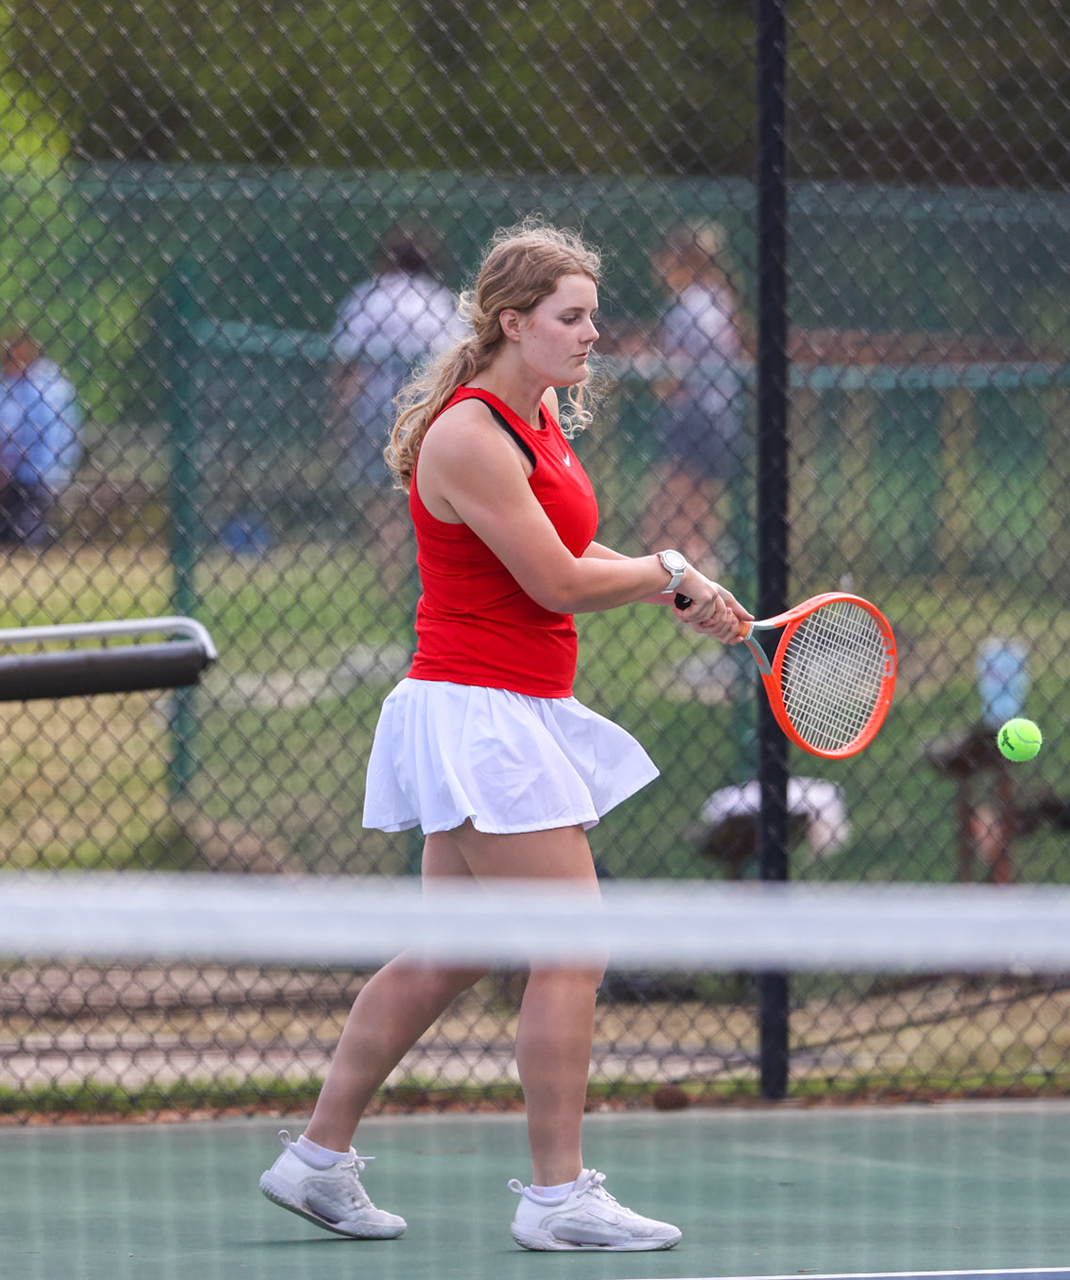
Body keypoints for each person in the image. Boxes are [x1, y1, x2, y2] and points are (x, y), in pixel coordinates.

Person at [258, 221, 750, 1253]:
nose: (591, 335)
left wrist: (683, 584)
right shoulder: (472, 434)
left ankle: (314, 1160)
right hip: (480, 713)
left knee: (455, 950)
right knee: (572, 945)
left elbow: (574, 546)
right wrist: (666, 565)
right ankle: (557, 1195)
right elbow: (558, 582)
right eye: (571, 318)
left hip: (505, 705)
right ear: (511, 322)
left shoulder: (541, 422)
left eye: (593, 316)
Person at [331, 225, 466, 593]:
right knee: (427, 492)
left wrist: (339, 414)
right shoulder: (439, 300)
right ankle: (422, 575)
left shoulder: (368, 297)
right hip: (428, 405)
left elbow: (349, 365)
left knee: (381, 494)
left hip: (373, 405)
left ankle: (390, 576)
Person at [636, 221, 748, 577]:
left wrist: (646, 367)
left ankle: (673, 583)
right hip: (720, 415)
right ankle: (700, 582)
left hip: (694, 416)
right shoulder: (719, 298)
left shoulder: (690, 306)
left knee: (670, 511)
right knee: (700, 509)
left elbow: (676, 373)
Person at [0, 328, 81, 549]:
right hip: (9, 475)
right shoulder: (0, 386)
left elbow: (43, 442)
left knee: (24, 538)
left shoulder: (49, 387)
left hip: (40, 476)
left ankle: (32, 525)